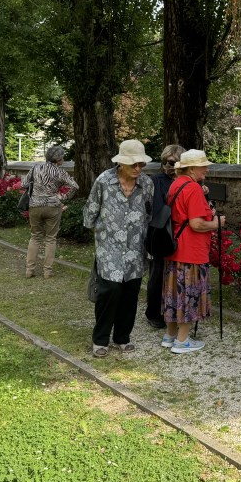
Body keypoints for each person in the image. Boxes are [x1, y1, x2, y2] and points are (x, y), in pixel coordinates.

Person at [83, 139, 155, 358]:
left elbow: (150, 213)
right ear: (121, 163)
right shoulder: (104, 181)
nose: (138, 168)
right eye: (133, 164)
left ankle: (122, 337)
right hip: (109, 248)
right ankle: (100, 339)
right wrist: (101, 233)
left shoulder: (146, 184)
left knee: (130, 294)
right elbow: (90, 212)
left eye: (141, 164)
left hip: (135, 249)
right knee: (109, 292)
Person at [161, 149, 225, 354]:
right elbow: (196, 224)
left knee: (174, 294)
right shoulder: (194, 188)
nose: (207, 169)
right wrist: (216, 223)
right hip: (191, 251)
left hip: (175, 248)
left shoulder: (176, 184)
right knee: (189, 294)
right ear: (191, 169)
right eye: (203, 166)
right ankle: (182, 341)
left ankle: (170, 335)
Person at [145, 144, 186, 329]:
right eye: (166, 162)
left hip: (180, 233)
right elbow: (156, 210)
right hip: (161, 232)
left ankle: (172, 309)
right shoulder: (156, 181)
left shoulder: (186, 180)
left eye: (173, 163)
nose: (168, 166)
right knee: (158, 273)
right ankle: (154, 313)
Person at [22, 145, 78, 279]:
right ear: (58, 159)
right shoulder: (60, 172)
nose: (63, 160)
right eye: (62, 157)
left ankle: (29, 270)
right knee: (50, 238)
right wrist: (64, 197)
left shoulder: (35, 168)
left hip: (35, 205)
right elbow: (75, 186)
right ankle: (47, 271)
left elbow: (24, 184)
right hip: (53, 206)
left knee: (35, 237)